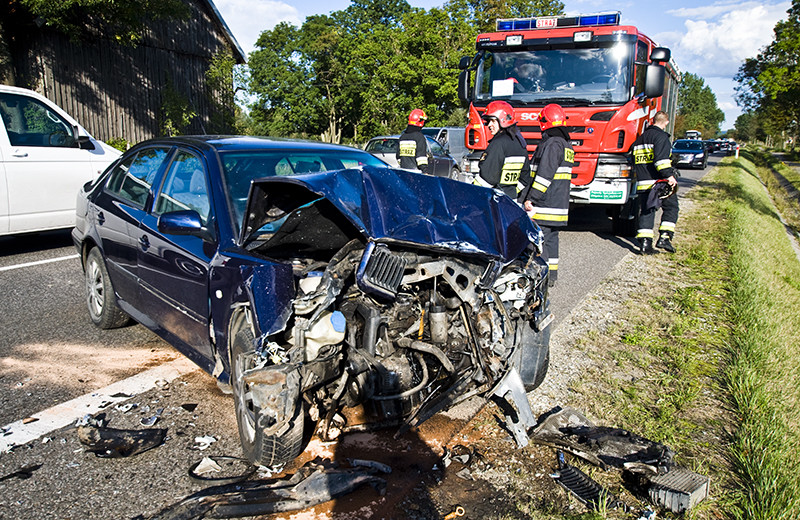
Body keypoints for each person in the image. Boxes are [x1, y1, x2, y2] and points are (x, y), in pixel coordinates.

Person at [518, 103, 574, 285]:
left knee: (539, 241)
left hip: (545, 204)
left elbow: (543, 176)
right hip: (558, 204)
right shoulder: (566, 145)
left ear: (545, 122)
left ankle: (540, 278)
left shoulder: (552, 144)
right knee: (551, 240)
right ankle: (551, 276)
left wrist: (531, 199)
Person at [631, 110, 679, 254]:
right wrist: (669, 176)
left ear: (653, 120)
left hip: (642, 182)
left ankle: (645, 244)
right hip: (659, 183)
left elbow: (633, 159)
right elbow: (661, 161)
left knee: (647, 211)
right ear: (666, 122)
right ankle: (664, 238)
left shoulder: (641, 138)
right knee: (671, 208)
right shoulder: (661, 137)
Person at [473, 100, 529, 199]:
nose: (489, 125)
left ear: (503, 120)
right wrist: (510, 193)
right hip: (512, 201)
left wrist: (471, 194)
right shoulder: (520, 143)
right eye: (488, 121)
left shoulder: (498, 143)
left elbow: (487, 178)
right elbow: (525, 178)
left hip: (494, 202)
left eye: (493, 121)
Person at [396, 109, 430, 174]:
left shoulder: (402, 137)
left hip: (403, 172)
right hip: (416, 173)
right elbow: (421, 158)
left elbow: (398, 156)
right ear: (420, 121)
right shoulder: (419, 137)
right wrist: (425, 171)